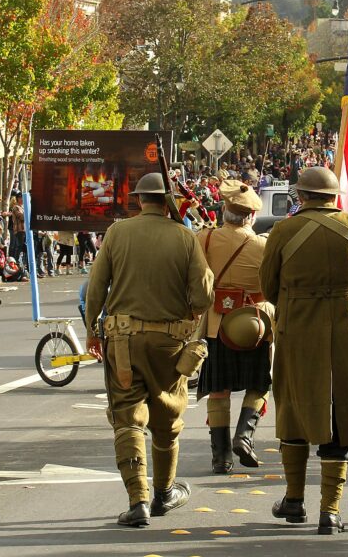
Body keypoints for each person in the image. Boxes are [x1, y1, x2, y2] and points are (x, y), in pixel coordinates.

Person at [260, 166, 348, 535]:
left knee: (295, 412)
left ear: (300, 196)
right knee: (340, 424)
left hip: (299, 332)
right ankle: (329, 512)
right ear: (334, 197)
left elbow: (268, 285)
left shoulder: (283, 231)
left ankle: (294, 500)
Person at [84, 172, 214, 528]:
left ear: (139, 200)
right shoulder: (185, 237)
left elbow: (96, 287)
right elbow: (203, 295)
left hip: (123, 340)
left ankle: (137, 500)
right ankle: (164, 492)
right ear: (166, 201)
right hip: (170, 342)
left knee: (127, 417)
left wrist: (91, 330)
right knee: (167, 418)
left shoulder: (117, 233)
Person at [196, 180, 271, 475]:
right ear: (251, 216)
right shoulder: (263, 245)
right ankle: (244, 436)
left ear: (224, 211)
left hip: (217, 325)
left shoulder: (206, 238)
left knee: (218, 390)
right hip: (254, 324)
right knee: (259, 384)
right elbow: (270, 287)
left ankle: (221, 457)